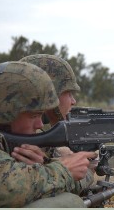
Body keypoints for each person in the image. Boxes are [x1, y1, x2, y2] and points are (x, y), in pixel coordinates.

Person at [0, 61, 96, 207]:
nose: (40, 124)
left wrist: (40, 167)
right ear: (5, 115)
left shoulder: (12, 141)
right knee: (66, 203)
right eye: (34, 116)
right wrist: (60, 172)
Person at [19, 54, 94, 192]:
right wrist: (88, 171)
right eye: (69, 93)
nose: (73, 101)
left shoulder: (36, 136)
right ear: (49, 94)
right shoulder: (15, 138)